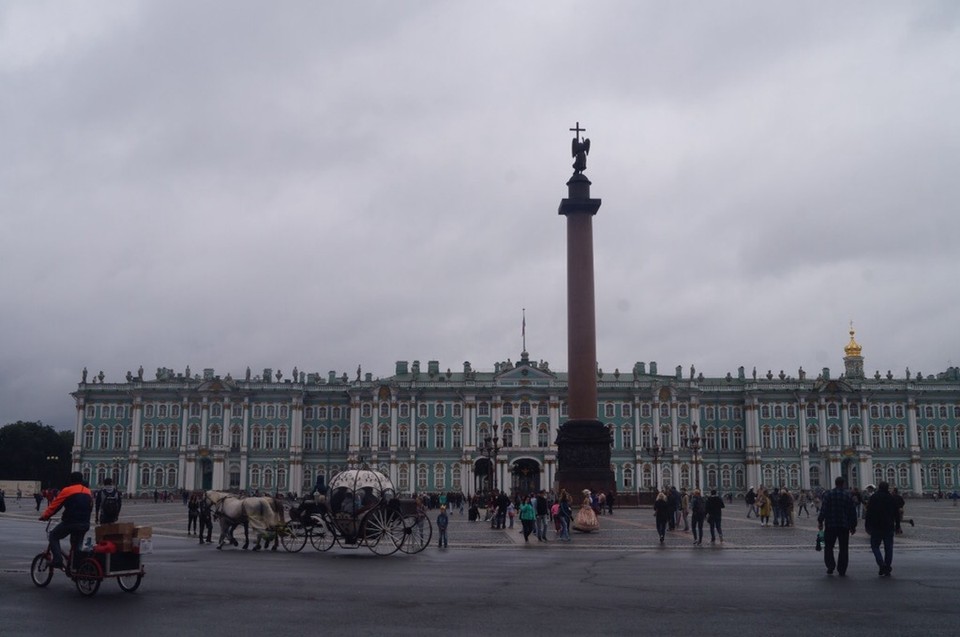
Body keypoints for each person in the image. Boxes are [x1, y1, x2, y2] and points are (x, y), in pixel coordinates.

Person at [39, 472, 93, 569]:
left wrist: (45, 516)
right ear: (82, 480)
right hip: (85, 523)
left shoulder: (68, 490)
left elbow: (55, 506)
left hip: (71, 522)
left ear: (71, 480)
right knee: (77, 546)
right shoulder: (88, 491)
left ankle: (58, 560)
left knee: (53, 536)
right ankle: (77, 568)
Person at [817, 476, 858, 576]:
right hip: (844, 526)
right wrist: (853, 526)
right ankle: (842, 569)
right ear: (843, 484)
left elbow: (824, 509)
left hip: (831, 525)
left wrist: (820, 521)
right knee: (843, 548)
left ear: (835, 483)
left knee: (828, 547)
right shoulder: (847, 495)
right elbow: (852, 511)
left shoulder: (828, 494)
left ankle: (830, 566)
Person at [865, 481, 899, 577]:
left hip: (876, 526)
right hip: (888, 526)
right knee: (889, 548)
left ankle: (881, 564)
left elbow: (869, 512)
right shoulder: (891, 498)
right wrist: (898, 526)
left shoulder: (874, 497)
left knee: (875, 546)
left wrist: (867, 525)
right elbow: (896, 513)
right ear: (887, 488)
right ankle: (887, 566)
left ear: (879, 488)